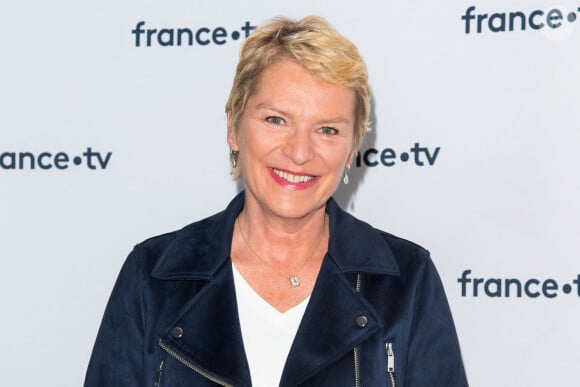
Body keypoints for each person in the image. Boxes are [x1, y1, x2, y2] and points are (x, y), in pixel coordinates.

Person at [84, 16, 468, 387]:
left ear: (352, 149)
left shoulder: (405, 282)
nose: (300, 152)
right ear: (234, 128)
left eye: (327, 129)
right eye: (276, 120)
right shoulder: (154, 276)